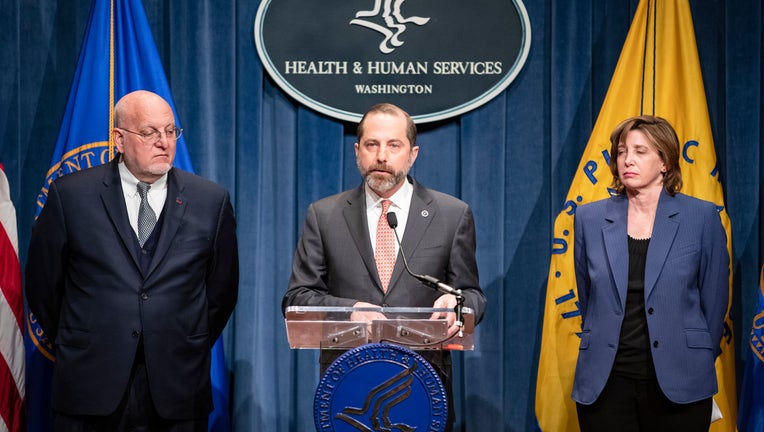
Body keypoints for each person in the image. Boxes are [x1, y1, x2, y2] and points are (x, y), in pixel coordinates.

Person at [25, 90, 239, 431]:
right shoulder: (71, 196)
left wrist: (177, 337)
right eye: (150, 132)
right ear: (119, 139)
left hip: (177, 388)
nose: (163, 142)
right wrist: (89, 337)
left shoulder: (210, 201)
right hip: (90, 385)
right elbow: (42, 287)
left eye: (170, 131)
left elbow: (221, 294)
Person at [282, 103, 486, 430]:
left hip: (423, 384)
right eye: (371, 145)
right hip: (348, 385)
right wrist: (349, 310)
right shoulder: (324, 215)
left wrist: (457, 304)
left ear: (412, 153)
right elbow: (297, 299)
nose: (381, 156)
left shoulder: (451, 214)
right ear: (357, 151)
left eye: (394, 145)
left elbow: (472, 294)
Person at [572, 115, 729, 431]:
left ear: (665, 162)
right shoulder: (589, 218)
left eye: (640, 151)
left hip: (681, 380)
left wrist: (690, 356)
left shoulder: (701, 218)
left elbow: (714, 303)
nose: (627, 159)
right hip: (605, 382)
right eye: (621, 151)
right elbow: (588, 296)